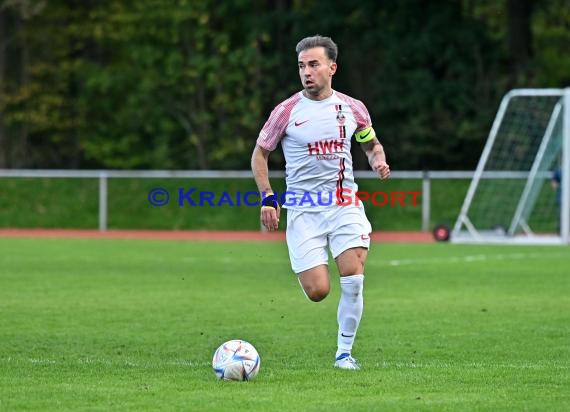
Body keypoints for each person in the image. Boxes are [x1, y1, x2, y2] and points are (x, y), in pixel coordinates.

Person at [251, 35, 390, 370]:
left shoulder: (352, 108)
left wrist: (377, 160)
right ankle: (311, 275)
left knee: (353, 276)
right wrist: (268, 197)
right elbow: (260, 154)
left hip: (344, 204)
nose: (306, 72)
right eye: (301, 66)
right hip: (303, 211)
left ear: (332, 67)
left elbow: (370, 143)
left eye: (313, 64)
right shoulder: (286, 112)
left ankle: (344, 354)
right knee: (318, 291)